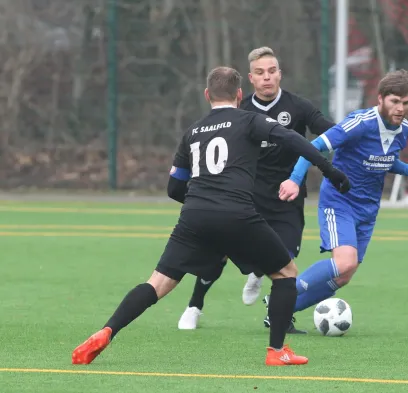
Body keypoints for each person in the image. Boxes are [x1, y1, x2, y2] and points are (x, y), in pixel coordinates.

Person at [71, 66, 350, 366]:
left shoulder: (192, 131)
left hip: (194, 216)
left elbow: (174, 187)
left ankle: (106, 331)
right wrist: (329, 170)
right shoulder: (250, 119)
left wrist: (200, 206)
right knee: (286, 273)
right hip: (237, 213)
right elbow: (294, 141)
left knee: (157, 284)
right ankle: (277, 351)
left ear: (207, 95)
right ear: (240, 95)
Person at [176, 47, 335, 334]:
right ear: (250, 79)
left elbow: (329, 132)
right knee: (217, 253)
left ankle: (275, 309)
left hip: (288, 197)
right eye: (260, 73)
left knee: (285, 257)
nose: (267, 77)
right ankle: (194, 306)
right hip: (246, 196)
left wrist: (355, 136)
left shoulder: (299, 107)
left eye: (272, 71)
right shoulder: (240, 112)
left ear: (280, 74)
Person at [270, 69, 408, 320]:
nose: (400, 108)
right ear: (380, 99)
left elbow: (384, 160)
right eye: (394, 101)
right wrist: (294, 180)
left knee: (344, 275)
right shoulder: (360, 123)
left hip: (368, 209)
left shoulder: (404, 130)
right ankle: (284, 292)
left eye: (405, 102)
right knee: (344, 263)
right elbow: (314, 146)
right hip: (340, 201)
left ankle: (282, 312)